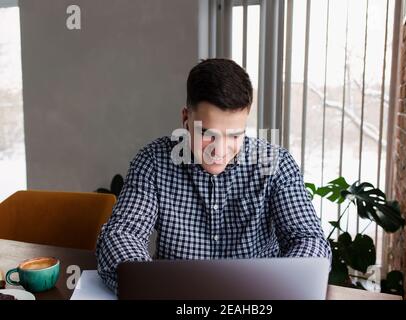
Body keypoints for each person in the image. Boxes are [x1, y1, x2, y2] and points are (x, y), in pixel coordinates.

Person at [96, 58, 331, 292]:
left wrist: (281, 288)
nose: (219, 150)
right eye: (208, 134)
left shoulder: (276, 164)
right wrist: (151, 289)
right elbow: (122, 234)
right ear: (186, 119)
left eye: (234, 135)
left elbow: (308, 239)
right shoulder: (153, 161)